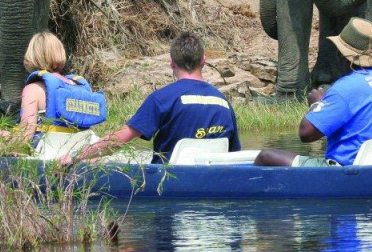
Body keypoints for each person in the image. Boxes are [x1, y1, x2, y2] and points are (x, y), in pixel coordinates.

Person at [62, 32, 239, 165]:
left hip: (167, 189)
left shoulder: (162, 99)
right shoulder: (223, 103)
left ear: (171, 63)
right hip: (214, 187)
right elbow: (233, 157)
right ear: (203, 60)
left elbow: (119, 140)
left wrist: (77, 156)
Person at [255, 18, 372, 167]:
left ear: (341, 55)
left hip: (346, 172)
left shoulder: (345, 88)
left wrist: (317, 104)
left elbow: (306, 134)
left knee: (266, 156)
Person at [16, 31, 106, 145]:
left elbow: (26, 134)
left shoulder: (33, 89)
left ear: (32, 56)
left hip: (49, 150)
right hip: (81, 148)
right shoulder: (77, 85)